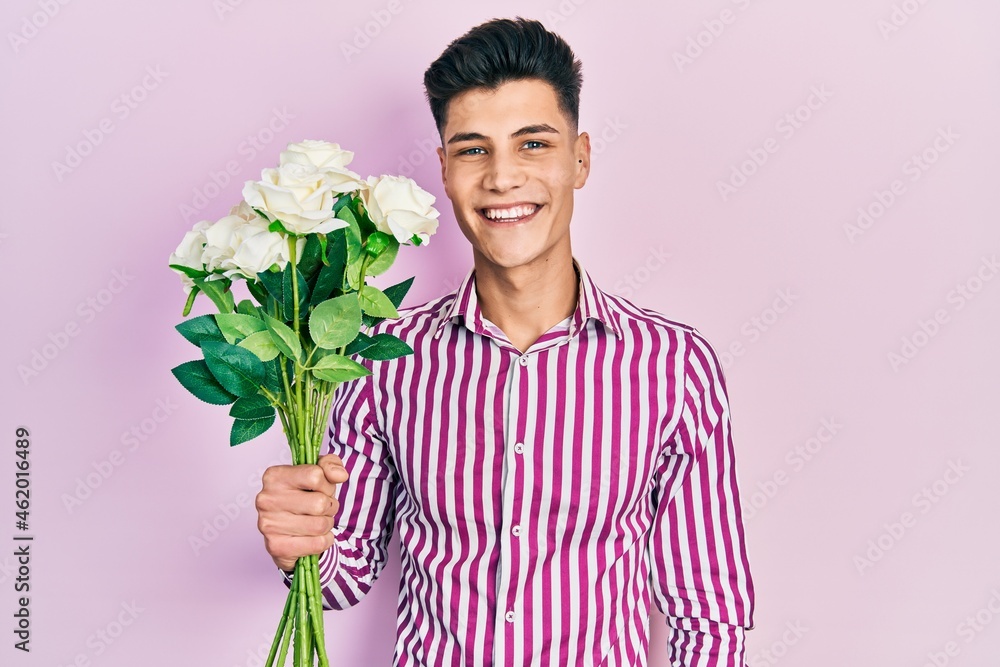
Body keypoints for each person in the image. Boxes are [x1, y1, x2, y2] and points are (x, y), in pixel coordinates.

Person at [255, 16, 755, 666]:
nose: (502, 177)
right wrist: (302, 539)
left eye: (533, 145)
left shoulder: (673, 367)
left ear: (580, 159)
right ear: (443, 169)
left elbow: (708, 613)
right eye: (473, 149)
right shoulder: (381, 359)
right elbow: (341, 577)